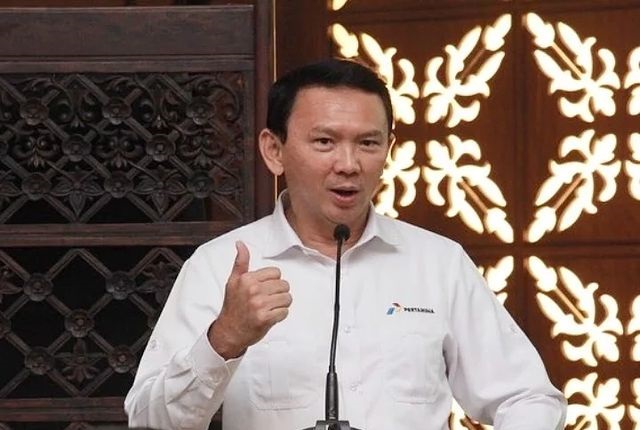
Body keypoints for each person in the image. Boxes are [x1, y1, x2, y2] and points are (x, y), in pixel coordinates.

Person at [125, 59, 567, 430]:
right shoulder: (218, 265)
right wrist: (224, 339)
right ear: (274, 150)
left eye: (368, 143)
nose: (349, 164)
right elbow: (149, 421)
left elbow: (528, 397)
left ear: (389, 148)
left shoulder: (438, 263)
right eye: (324, 141)